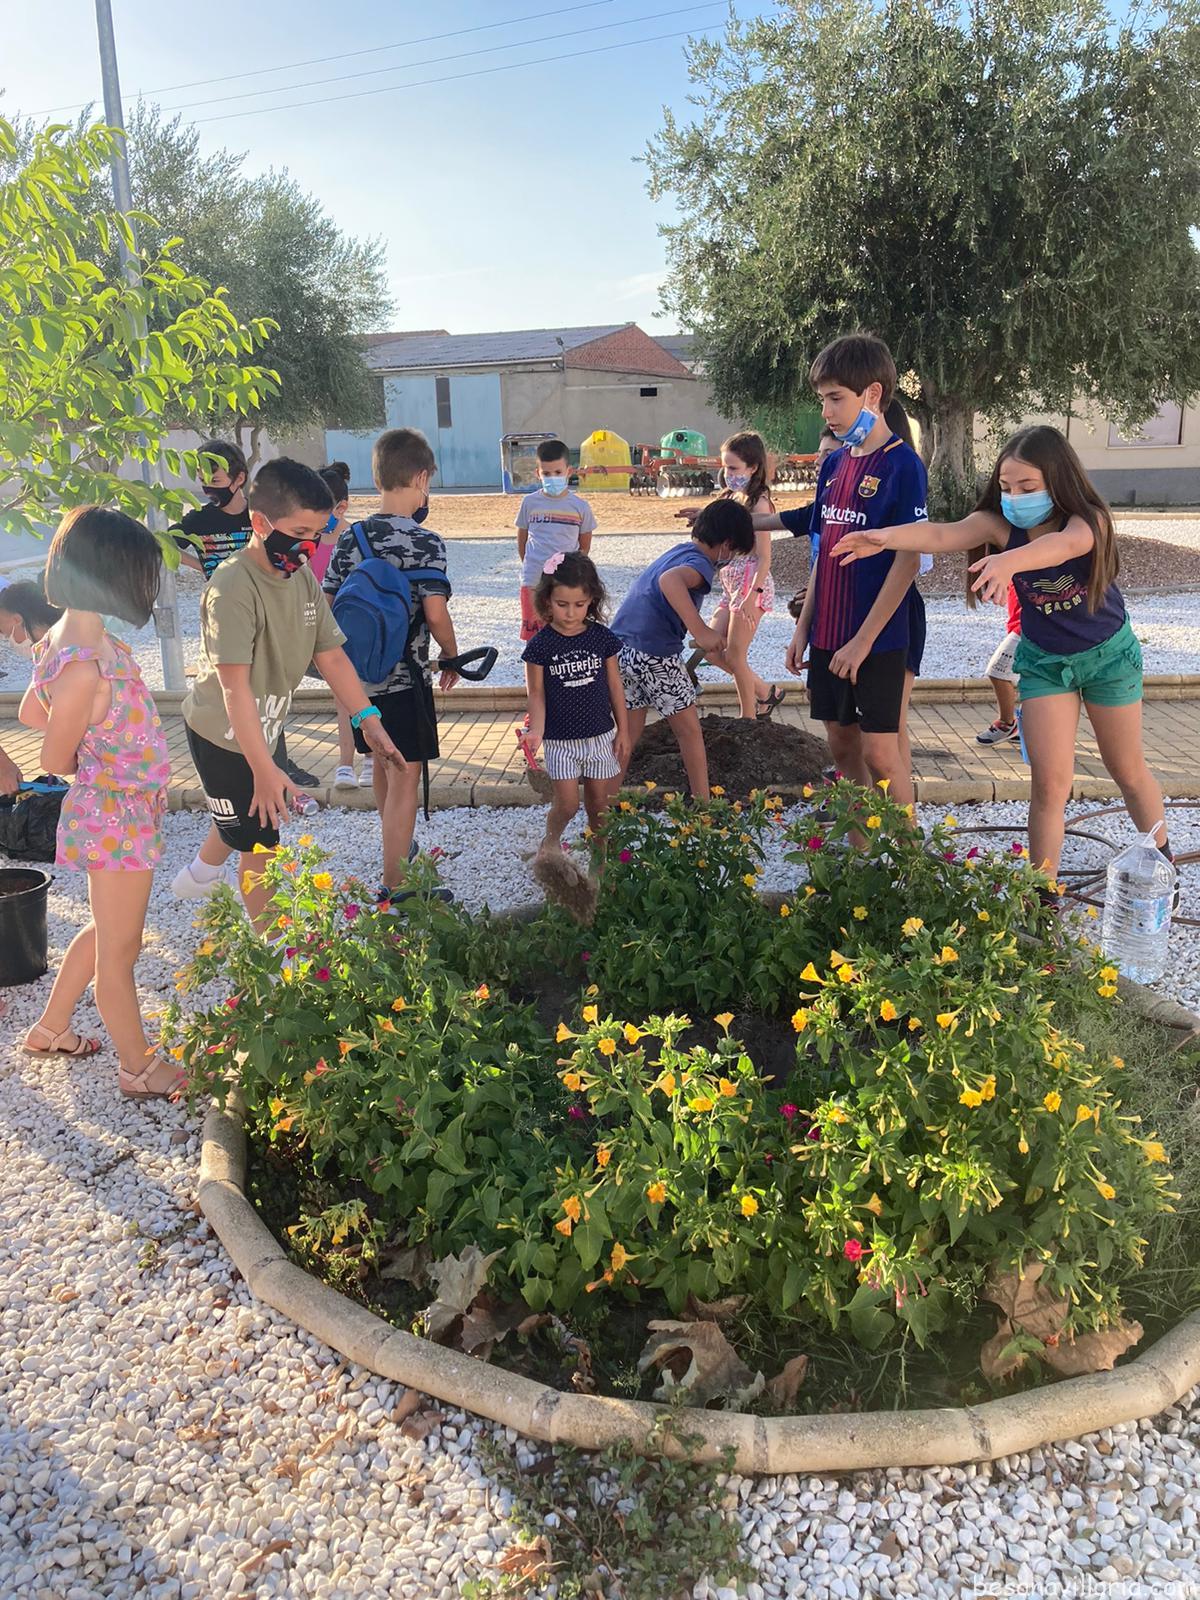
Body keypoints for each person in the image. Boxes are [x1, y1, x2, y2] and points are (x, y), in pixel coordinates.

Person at [835, 424, 1173, 882]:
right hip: (1044, 663)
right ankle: (1041, 894)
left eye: (1028, 487)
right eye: (1007, 487)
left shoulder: (1088, 519)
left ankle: (1162, 865)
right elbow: (941, 535)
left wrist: (1008, 561)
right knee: (1048, 785)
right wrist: (884, 537)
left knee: (1127, 771)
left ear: (1059, 480)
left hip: (1107, 659)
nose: (1015, 497)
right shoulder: (1000, 524)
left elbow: (1064, 546)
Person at [176, 458, 406, 930]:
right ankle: (278, 951)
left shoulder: (300, 577)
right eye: (300, 532)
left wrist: (369, 721)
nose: (309, 546)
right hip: (223, 733)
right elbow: (234, 689)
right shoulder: (231, 588)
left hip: (266, 722)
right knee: (262, 842)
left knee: (245, 813)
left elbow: (332, 656)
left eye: (318, 533)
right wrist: (264, 770)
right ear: (260, 523)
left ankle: (200, 874)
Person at [17, 508, 175, 1097]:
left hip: (119, 813)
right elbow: (53, 758)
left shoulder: (69, 639)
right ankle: (138, 1068)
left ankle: (51, 1028)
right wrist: (99, 754)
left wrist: (90, 728)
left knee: (109, 931)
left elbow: (31, 711)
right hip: (117, 816)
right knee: (121, 953)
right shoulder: (84, 664)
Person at [776, 334, 926, 802]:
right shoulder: (834, 465)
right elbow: (824, 552)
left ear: (873, 394)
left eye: (836, 398)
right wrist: (803, 628)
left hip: (878, 638)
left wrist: (862, 643)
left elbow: (909, 559)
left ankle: (907, 847)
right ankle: (859, 844)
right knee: (842, 747)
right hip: (827, 633)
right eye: (822, 399)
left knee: (880, 752)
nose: (826, 411)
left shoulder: (903, 465)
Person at [322, 429, 463, 899]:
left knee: (382, 765)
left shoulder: (351, 538)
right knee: (405, 774)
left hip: (359, 683)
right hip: (405, 679)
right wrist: (451, 655)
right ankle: (396, 887)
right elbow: (435, 614)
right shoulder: (426, 542)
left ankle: (396, 849)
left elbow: (327, 607)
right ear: (421, 478)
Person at [172, 439, 320, 791]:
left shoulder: (257, 516)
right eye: (202, 479)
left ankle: (276, 761)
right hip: (227, 614)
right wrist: (203, 566)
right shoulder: (198, 520)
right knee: (235, 687)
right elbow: (163, 545)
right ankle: (252, 764)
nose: (208, 487)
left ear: (239, 479)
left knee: (267, 690)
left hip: (267, 611)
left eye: (216, 480)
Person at [613, 498, 755, 800]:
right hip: (656, 655)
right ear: (726, 545)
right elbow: (670, 581)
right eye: (733, 553)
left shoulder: (680, 550)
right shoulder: (700, 564)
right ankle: (704, 805)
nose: (730, 560)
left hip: (623, 649)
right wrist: (700, 630)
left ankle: (604, 803)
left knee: (628, 734)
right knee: (689, 732)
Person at [522, 550, 628, 856]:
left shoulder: (602, 638)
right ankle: (550, 843)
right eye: (562, 604)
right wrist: (536, 730)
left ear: (592, 600)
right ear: (546, 601)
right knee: (567, 804)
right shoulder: (540, 646)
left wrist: (623, 730)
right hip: (560, 741)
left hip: (601, 736)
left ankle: (600, 859)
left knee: (599, 804)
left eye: (579, 605)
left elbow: (615, 685)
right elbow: (536, 693)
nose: (570, 613)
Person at [701, 432, 786, 720]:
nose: (728, 474)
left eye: (733, 467)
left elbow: (764, 556)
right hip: (731, 584)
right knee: (710, 647)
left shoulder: (760, 504)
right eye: (725, 467)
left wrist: (752, 595)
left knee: (736, 655)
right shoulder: (733, 497)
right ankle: (765, 691)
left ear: (753, 467)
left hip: (750, 584)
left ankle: (748, 717)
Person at [309, 462, 365, 790]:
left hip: (353, 628)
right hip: (320, 630)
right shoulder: (308, 539)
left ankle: (366, 757)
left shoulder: (357, 539)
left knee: (357, 694)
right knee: (342, 696)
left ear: (340, 507)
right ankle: (346, 762)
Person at [515, 439, 596, 643]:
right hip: (533, 579)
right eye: (547, 473)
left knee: (565, 630)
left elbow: (584, 545)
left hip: (565, 581)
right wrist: (529, 563)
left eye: (558, 472)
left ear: (569, 471)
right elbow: (522, 537)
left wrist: (573, 571)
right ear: (538, 473)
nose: (552, 478)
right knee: (535, 636)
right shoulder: (529, 503)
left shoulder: (580, 507)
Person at [977, 582, 1022, 744]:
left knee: (997, 671)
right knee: (1031, 677)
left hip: (1027, 627)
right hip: (1021, 624)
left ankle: (1007, 724)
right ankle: (1024, 727)